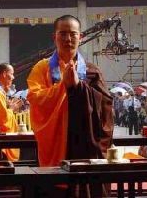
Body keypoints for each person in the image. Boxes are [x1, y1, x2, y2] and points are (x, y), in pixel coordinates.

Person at [27, 15, 113, 197]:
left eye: (73, 34)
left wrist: (79, 87)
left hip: (84, 140)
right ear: (54, 37)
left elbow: (105, 108)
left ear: (80, 37)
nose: (68, 39)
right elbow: (35, 98)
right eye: (63, 34)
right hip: (55, 140)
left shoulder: (91, 71)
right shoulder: (42, 68)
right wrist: (63, 86)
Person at [0, 63, 21, 161]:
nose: (13, 77)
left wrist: (8, 107)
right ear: (4, 74)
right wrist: (11, 109)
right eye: (11, 74)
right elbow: (3, 120)